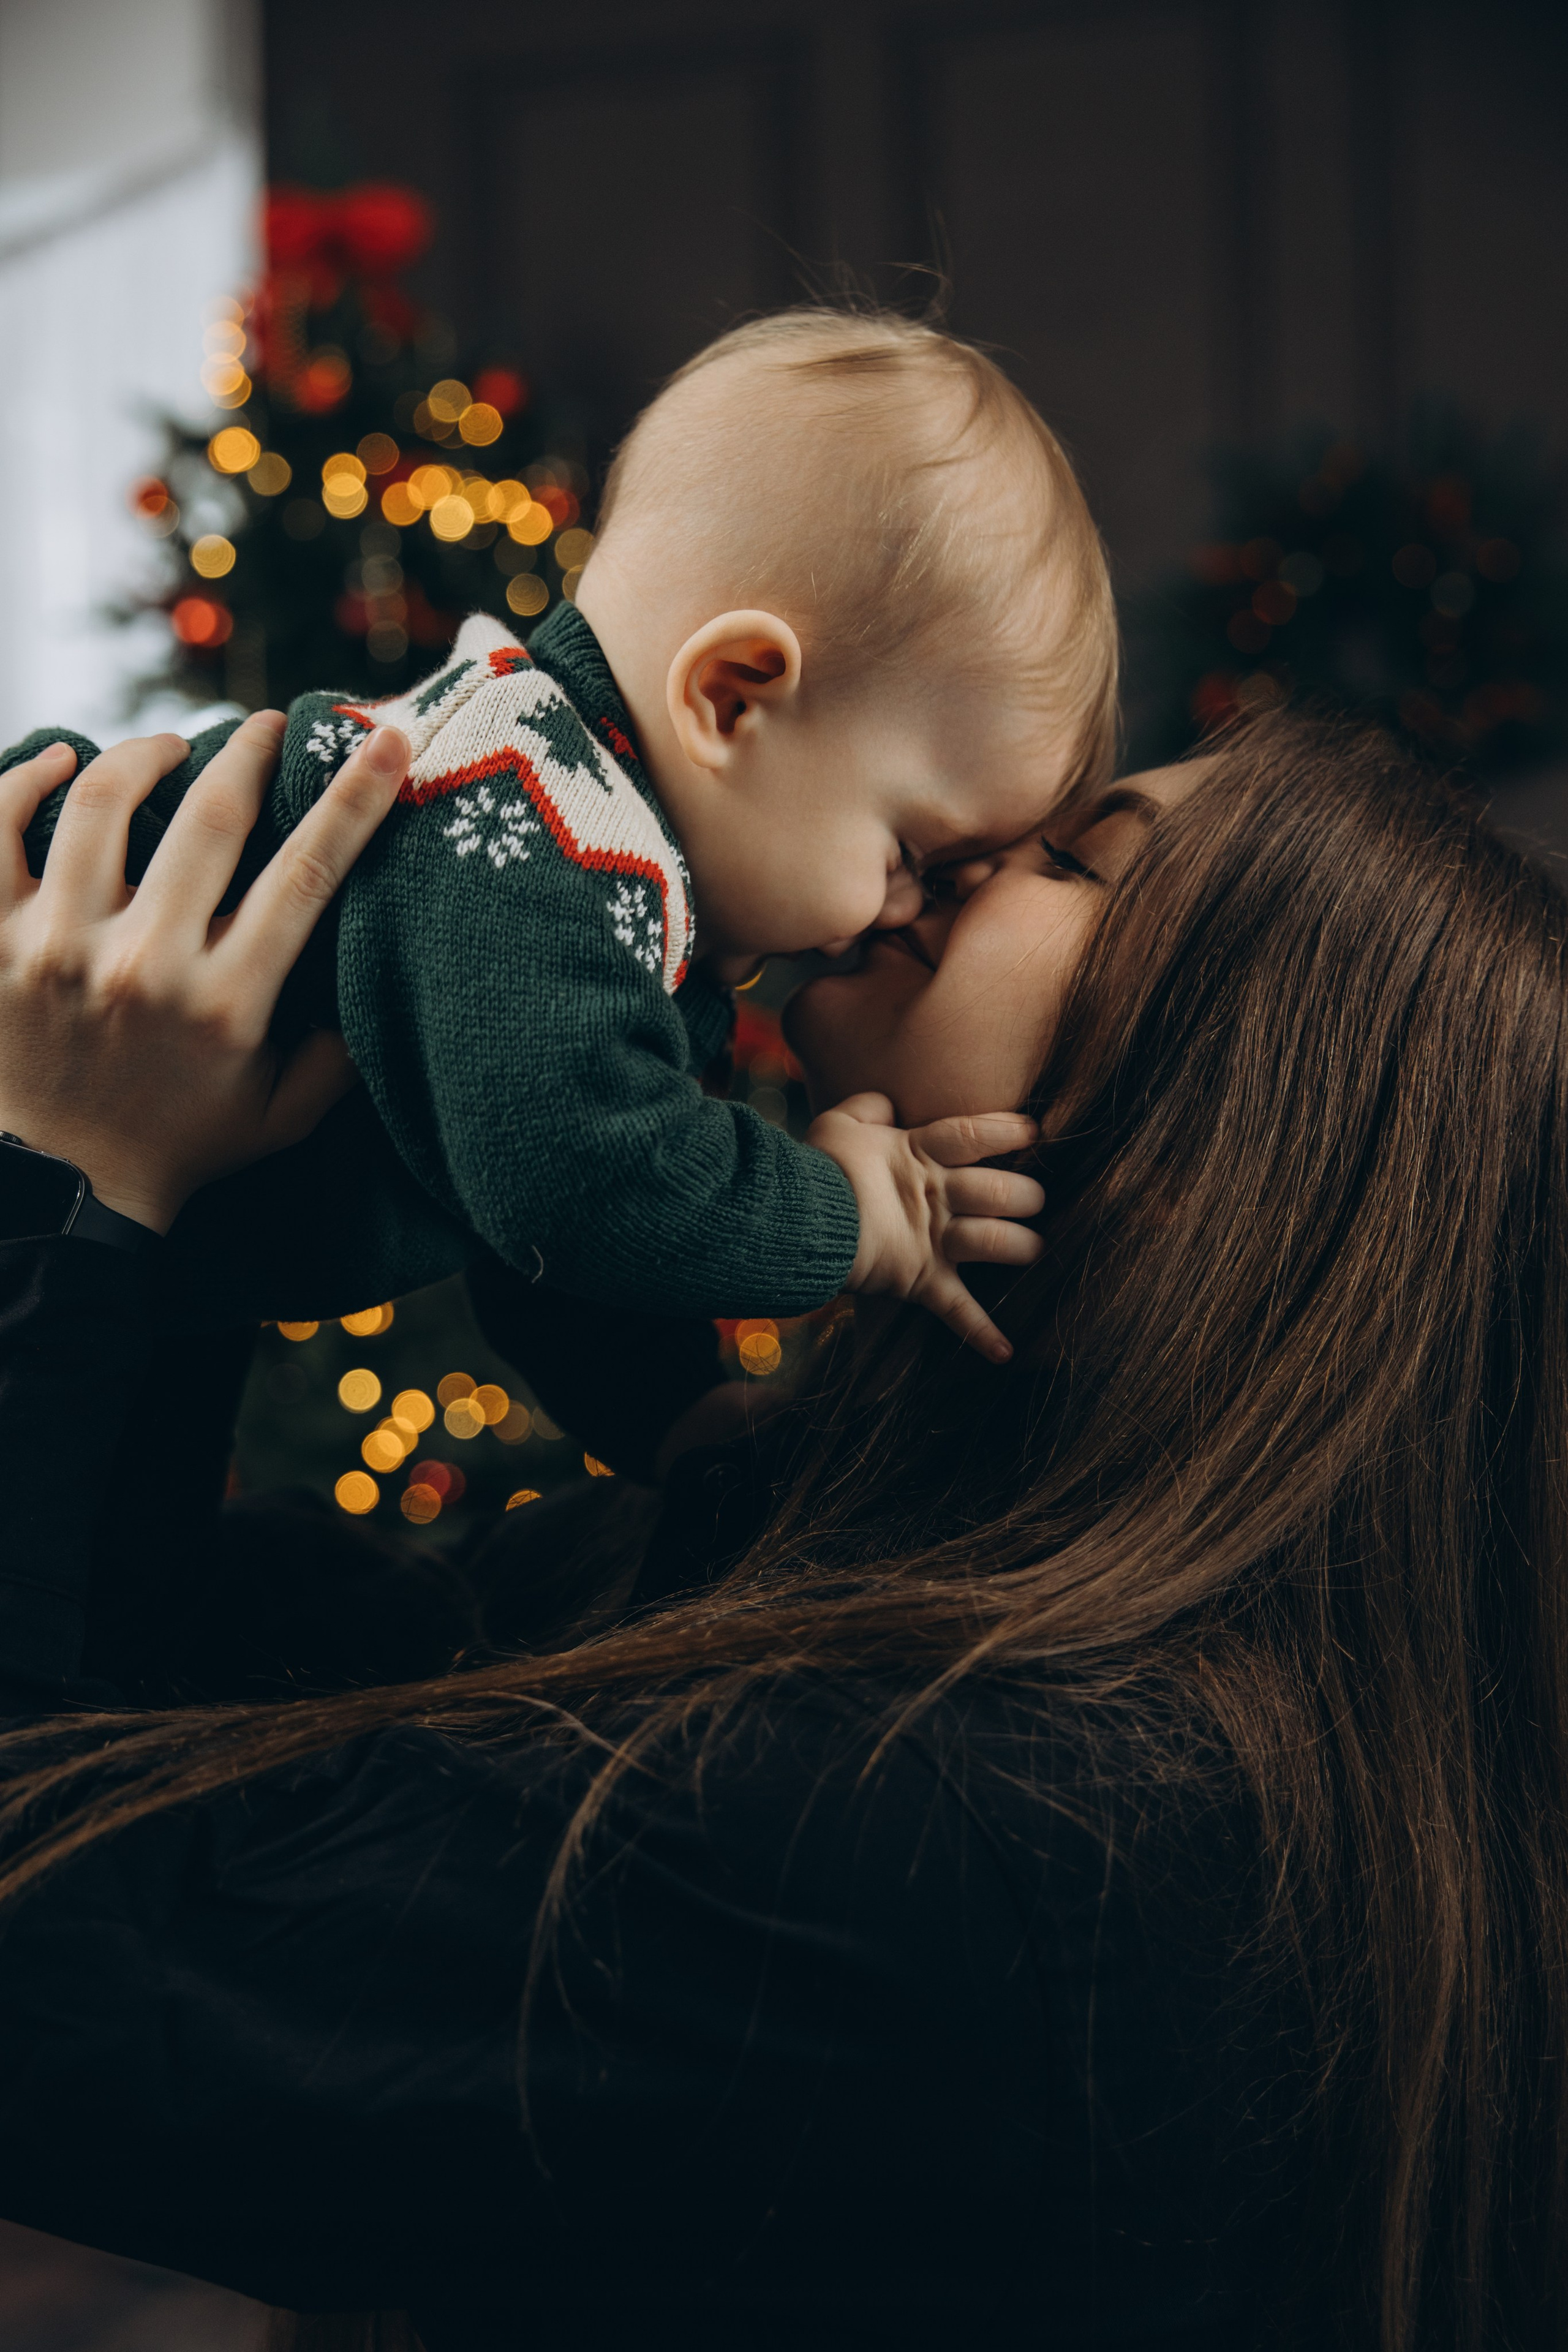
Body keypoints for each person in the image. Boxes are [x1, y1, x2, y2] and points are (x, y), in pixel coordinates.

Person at [1, 699, 1565, 2352]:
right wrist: (224, 1172)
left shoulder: (963, 1823)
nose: (955, 853)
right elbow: (166, 1710)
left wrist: (66, 1173)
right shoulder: (770, 1566)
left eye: (1070, 859)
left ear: (1219, 1160)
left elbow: (62, 1966)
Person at [2, 307, 1116, 1359]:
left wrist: (677, 1427)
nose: (906, 910)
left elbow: (538, 1252)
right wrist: (852, 1215)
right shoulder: (523, 811)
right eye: (908, 855)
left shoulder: (627, 897)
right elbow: (579, 1183)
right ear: (731, 698)